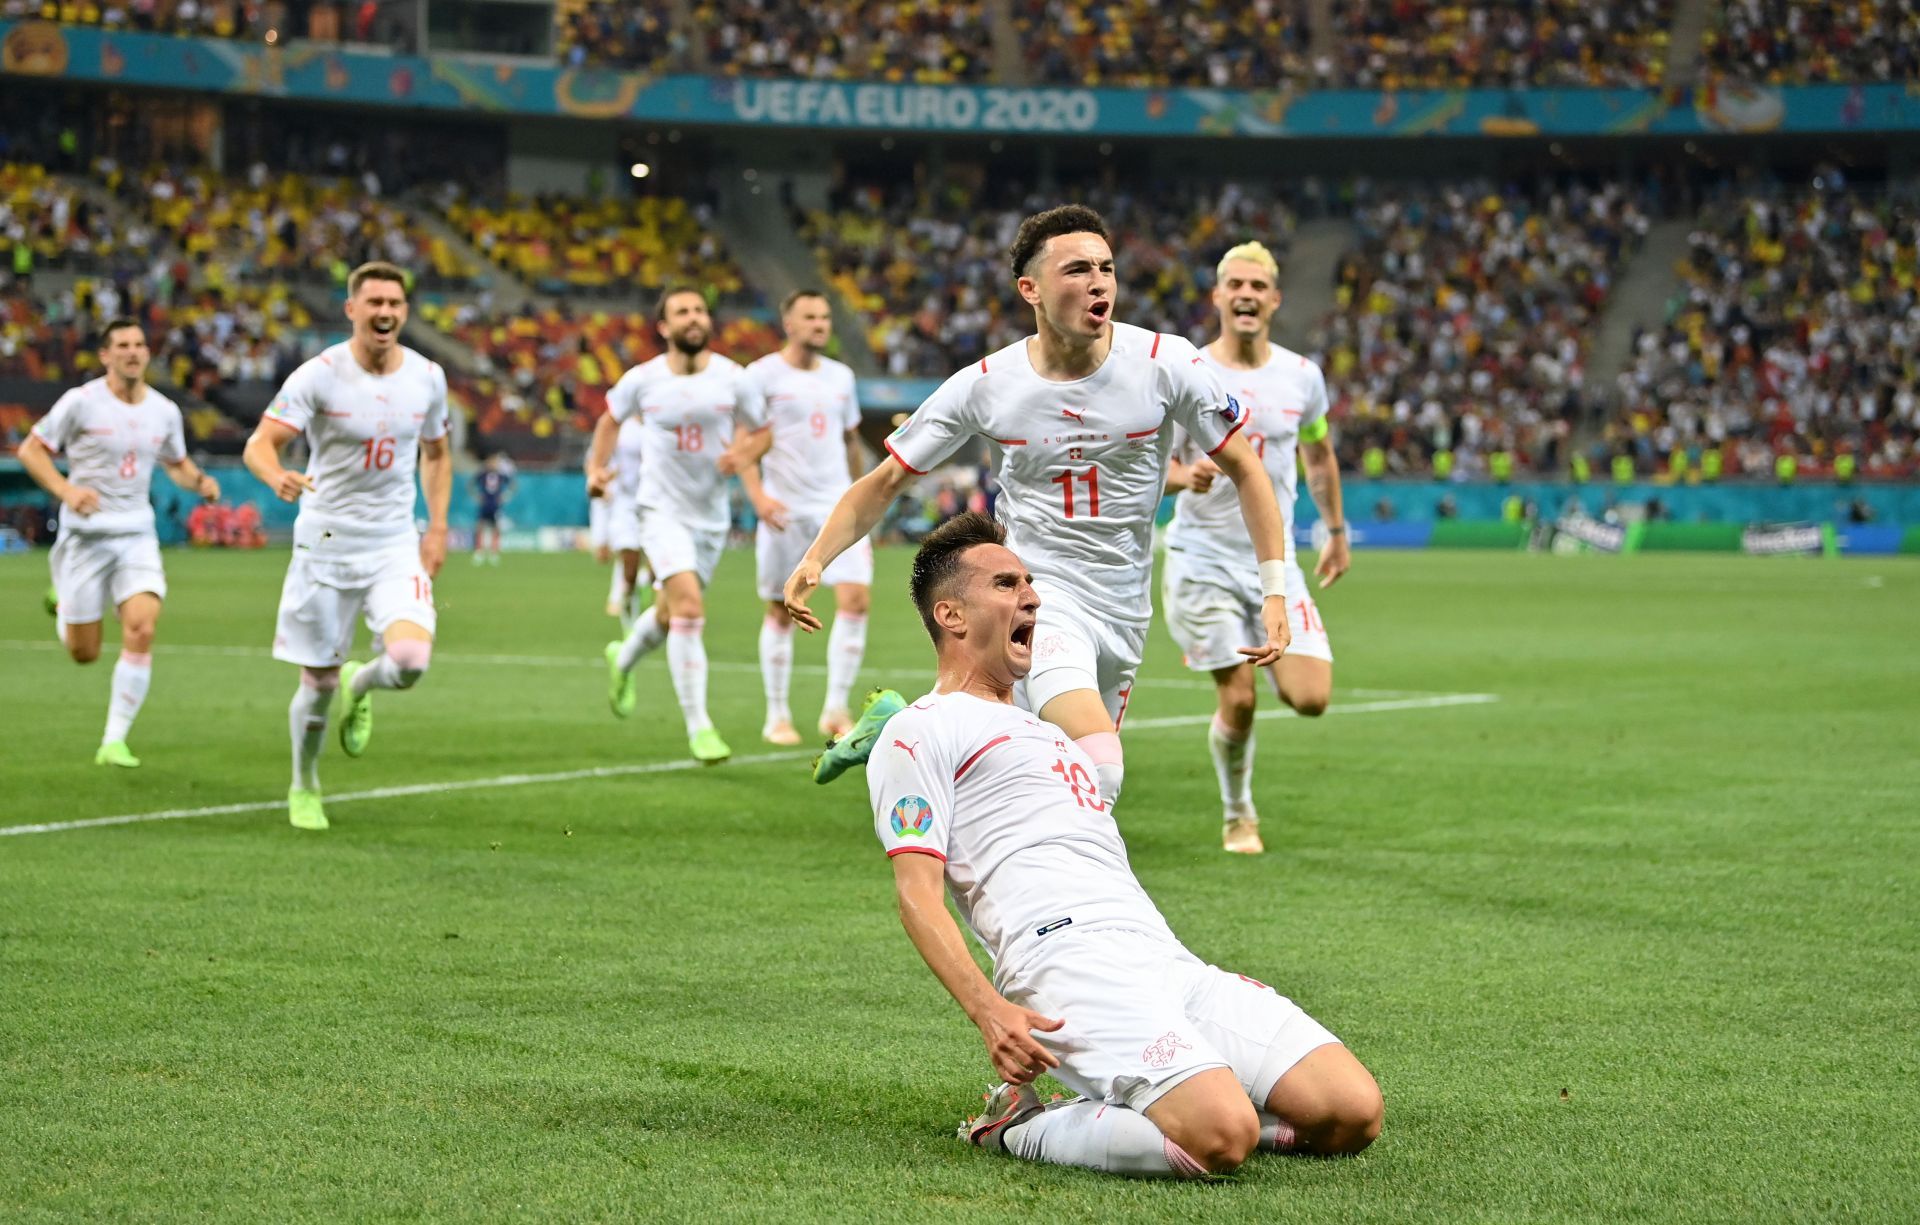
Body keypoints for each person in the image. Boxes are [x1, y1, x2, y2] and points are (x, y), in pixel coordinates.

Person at [870, 513, 1381, 1178]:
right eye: (1005, 583)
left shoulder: (1048, 733)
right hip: (1066, 961)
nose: (1032, 596)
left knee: (1351, 1110)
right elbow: (917, 896)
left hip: (1161, 952)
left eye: (1029, 581)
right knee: (1220, 1136)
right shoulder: (918, 731)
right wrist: (990, 1012)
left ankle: (1179, 1101)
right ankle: (1018, 1125)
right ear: (951, 614)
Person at [787, 205, 1292, 801]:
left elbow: (1247, 471)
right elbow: (885, 481)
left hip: (1125, 607)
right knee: (1101, 771)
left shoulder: (1167, 363)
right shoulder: (988, 385)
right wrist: (817, 558)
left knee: (1044, 782)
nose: (1098, 281)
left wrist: (1275, 589)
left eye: (1106, 267)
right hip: (1038, 596)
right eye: (1076, 269)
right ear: (1030, 289)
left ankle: (900, 728)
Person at [243, 261, 453, 831]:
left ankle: (365, 684)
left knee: (410, 660)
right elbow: (260, 444)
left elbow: (436, 453)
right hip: (328, 536)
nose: (385, 312)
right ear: (352, 309)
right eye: (374, 302)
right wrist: (274, 476)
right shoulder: (320, 375)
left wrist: (436, 527)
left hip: (392, 538)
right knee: (317, 681)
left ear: (405, 312)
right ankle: (305, 785)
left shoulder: (428, 377)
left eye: (395, 302)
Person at [1163, 242, 1349, 854]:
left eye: (1257, 285)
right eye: (1234, 284)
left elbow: (1318, 453)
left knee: (1311, 698)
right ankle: (1238, 814)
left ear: (1274, 299)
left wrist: (1336, 530)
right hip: (1202, 560)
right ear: (1217, 296)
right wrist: (1178, 477)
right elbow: (1144, 455)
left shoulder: (1302, 377)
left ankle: (1260, 650)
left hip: (1274, 564)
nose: (1246, 294)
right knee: (1238, 697)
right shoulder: (1187, 369)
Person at [19, 317, 221, 767]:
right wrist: (67, 491)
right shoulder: (80, 403)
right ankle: (64, 606)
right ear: (106, 356)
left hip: (136, 535)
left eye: (139, 344)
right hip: (85, 539)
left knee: (142, 627)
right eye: (122, 346)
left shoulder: (164, 410)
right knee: (84, 653)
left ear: (147, 354)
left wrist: (200, 482)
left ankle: (114, 740)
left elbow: (177, 464)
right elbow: (31, 450)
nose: (132, 352)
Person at [587, 286, 767, 764]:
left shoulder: (734, 378)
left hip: (709, 517)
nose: (693, 318)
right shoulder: (642, 379)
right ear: (663, 326)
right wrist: (596, 470)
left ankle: (622, 658)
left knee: (670, 615)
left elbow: (764, 429)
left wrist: (745, 452)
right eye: (681, 312)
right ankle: (700, 728)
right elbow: (608, 421)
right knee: (688, 608)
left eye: (699, 310)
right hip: (659, 511)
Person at [734, 289, 871, 746]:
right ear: (788, 323)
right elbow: (744, 444)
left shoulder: (841, 377)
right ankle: (777, 715)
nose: (820, 324)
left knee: (855, 601)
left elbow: (850, 442)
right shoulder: (761, 376)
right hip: (784, 513)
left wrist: (862, 498)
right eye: (810, 317)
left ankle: (835, 708)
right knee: (778, 608)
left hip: (836, 509)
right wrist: (758, 498)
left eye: (826, 316)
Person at [595, 412, 650, 628]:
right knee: (629, 565)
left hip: (657, 502)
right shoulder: (622, 428)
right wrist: (603, 479)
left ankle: (646, 583)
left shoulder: (664, 422)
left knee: (658, 568)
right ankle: (630, 629)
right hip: (626, 503)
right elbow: (598, 460)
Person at [470, 453, 514, 565]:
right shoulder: (483, 474)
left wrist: (505, 496)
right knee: (480, 527)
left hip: (495, 505)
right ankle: (479, 551)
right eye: (491, 461)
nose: (493, 464)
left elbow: (512, 484)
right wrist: (476, 496)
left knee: (496, 528)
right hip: (484, 504)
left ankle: (494, 552)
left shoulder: (501, 475)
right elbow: (471, 484)